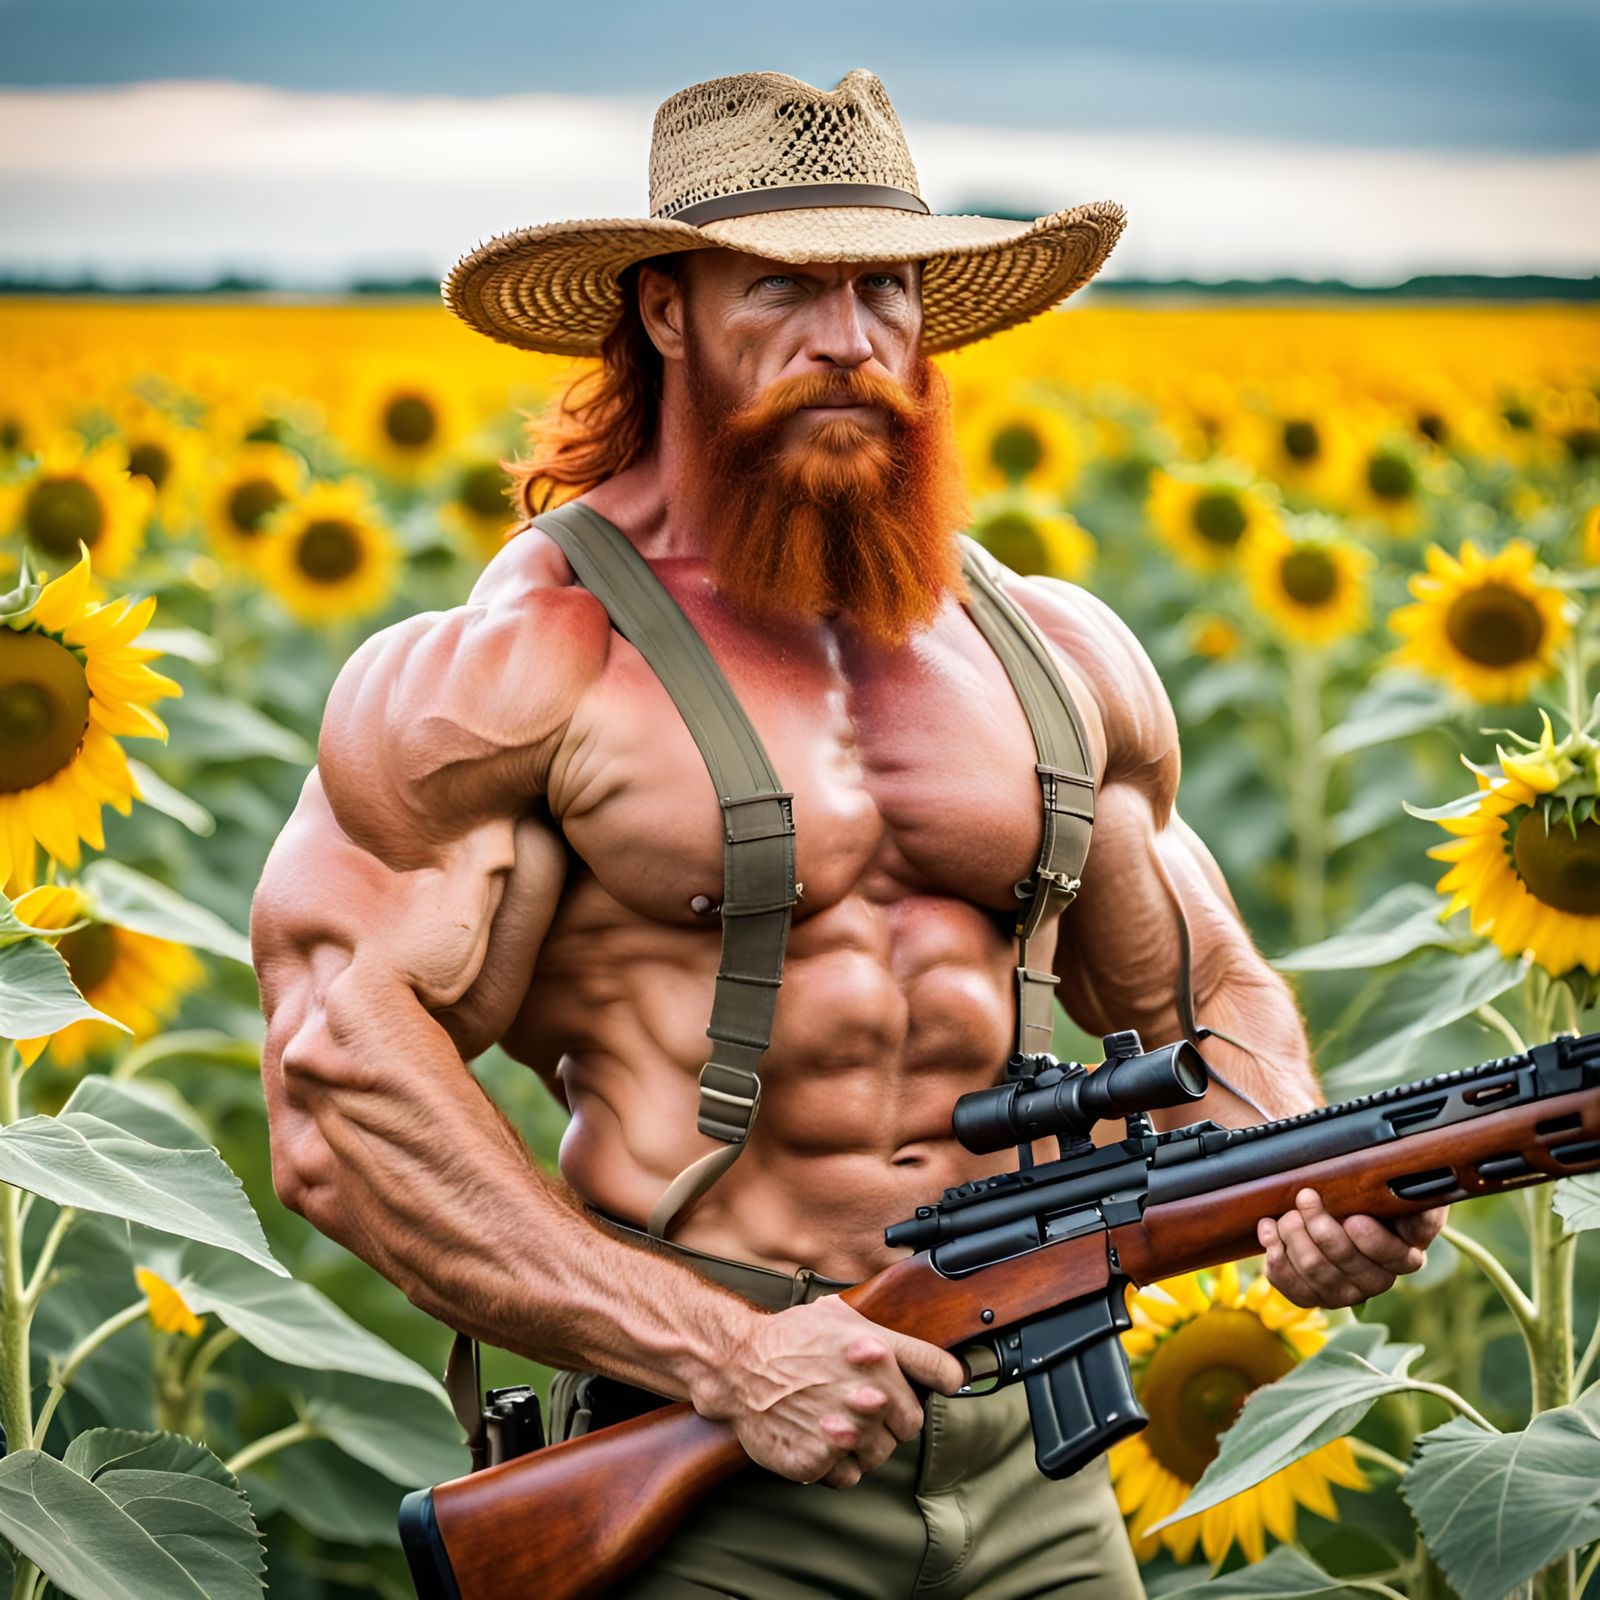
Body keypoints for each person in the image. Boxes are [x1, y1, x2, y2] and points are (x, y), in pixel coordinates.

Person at [250, 68, 1445, 1598]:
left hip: (1043, 1456)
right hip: (711, 1456)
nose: (847, 341)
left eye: (885, 289)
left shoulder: (1053, 652)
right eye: (784, 292)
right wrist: (729, 1354)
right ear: (665, 309)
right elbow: (337, 1085)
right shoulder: (524, 664)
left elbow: (1204, 996)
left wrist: (1300, 1178)